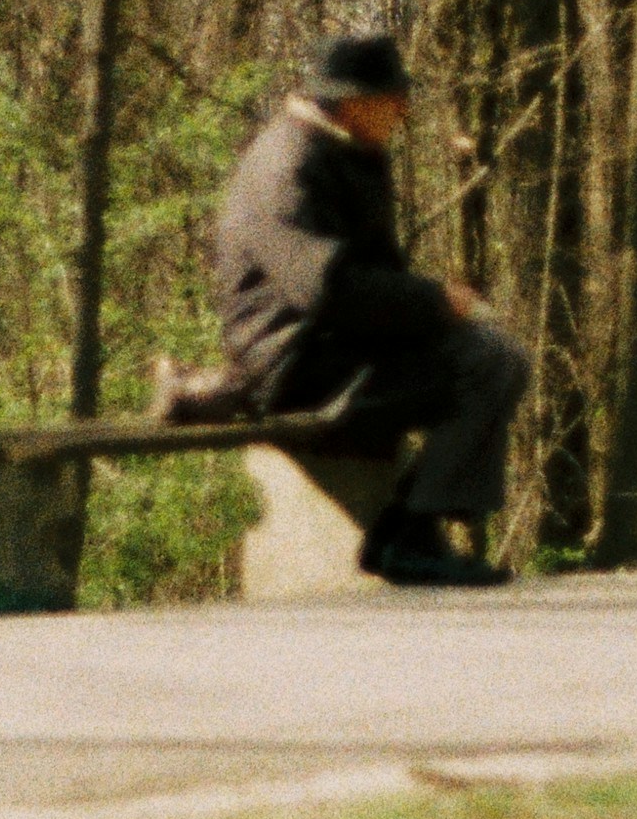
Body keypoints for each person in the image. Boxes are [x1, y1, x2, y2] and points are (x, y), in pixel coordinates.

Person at [208, 34, 529, 589]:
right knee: (488, 362)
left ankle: (411, 530)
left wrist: (438, 309)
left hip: (335, 348)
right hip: (292, 366)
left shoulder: (347, 150)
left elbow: (376, 274)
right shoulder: (288, 163)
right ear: (354, 101)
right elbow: (326, 290)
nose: (404, 111)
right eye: (394, 98)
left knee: (493, 353)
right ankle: (411, 534)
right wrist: (433, 303)